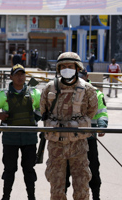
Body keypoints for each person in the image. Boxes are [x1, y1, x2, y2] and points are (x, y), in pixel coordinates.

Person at [40, 52, 98, 200]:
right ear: (59, 69)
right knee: (57, 191)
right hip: (56, 148)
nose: (67, 69)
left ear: (77, 68)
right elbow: (43, 111)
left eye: (70, 66)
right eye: (63, 66)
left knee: (82, 189)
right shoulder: (49, 89)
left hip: (79, 147)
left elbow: (92, 112)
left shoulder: (88, 90)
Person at [0, 64, 41, 200]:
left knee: (29, 170)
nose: (20, 77)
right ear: (11, 77)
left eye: (22, 74)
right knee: (9, 170)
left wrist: (35, 119)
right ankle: (6, 197)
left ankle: (31, 197)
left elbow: (43, 107)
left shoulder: (34, 93)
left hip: (29, 138)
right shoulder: (3, 94)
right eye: (16, 74)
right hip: (10, 138)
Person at [65, 69, 108, 200]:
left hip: (89, 139)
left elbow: (102, 112)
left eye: (81, 77)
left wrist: (101, 126)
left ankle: (96, 197)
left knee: (93, 169)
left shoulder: (95, 93)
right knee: (65, 172)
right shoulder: (67, 91)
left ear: (87, 76)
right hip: (69, 140)